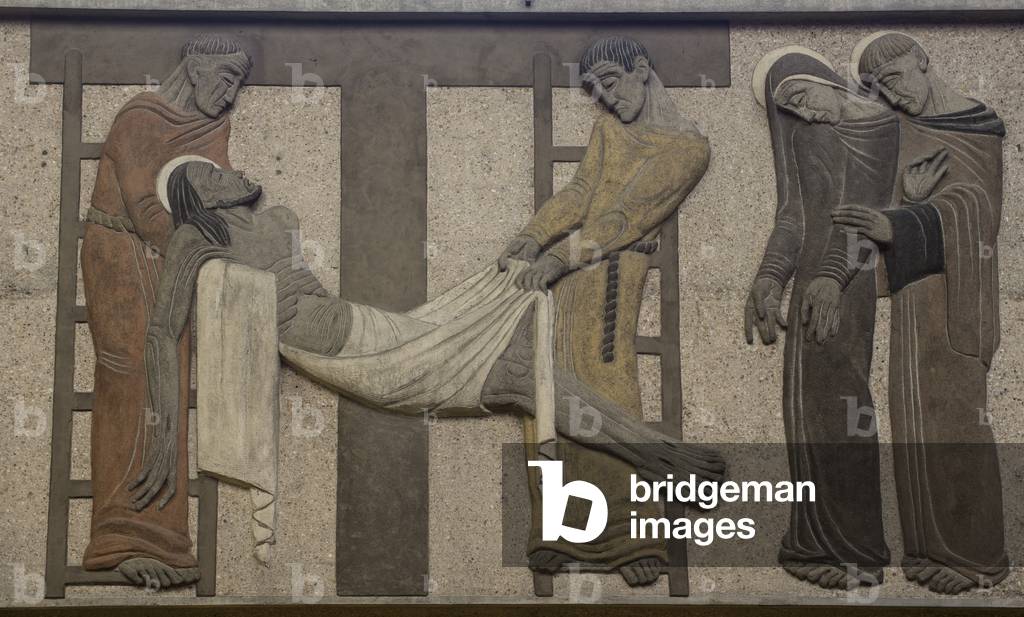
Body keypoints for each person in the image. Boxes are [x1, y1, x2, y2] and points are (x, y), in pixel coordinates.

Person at [131, 160, 726, 545]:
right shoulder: (196, 237)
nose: (225, 176)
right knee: (521, 371)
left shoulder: (276, 217)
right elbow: (161, 331)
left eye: (218, 170)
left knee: (523, 374)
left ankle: (664, 463)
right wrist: (163, 434)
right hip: (344, 352)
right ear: (194, 201)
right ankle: (666, 462)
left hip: (365, 329)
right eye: (205, 180)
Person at [496, 35, 710, 585]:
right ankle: (557, 529)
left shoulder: (686, 148)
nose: (605, 99)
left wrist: (563, 254)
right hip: (560, 276)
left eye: (611, 83)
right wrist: (531, 236)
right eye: (594, 90)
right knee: (544, 394)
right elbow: (580, 191)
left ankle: (630, 539)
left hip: (611, 272)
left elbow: (627, 217)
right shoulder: (607, 130)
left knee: (607, 398)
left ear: (642, 70)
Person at [836, 31, 1009, 595]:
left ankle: (979, 557)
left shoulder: (977, 127)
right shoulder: (902, 131)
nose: (891, 96)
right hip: (914, 298)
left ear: (923, 61)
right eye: (877, 89)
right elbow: (894, 203)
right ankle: (932, 548)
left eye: (894, 80)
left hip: (960, 297)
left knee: (957, 417)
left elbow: (978, 215)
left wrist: (902, 222)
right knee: (911, 414)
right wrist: (903, 211)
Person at [80, 33, 251, 589]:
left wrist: (240, 212)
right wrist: (197, 239)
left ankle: (164, 539)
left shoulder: (210, 128)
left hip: (172, 262)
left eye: (238, 86)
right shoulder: (138, 119)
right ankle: (115, 537)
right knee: (126, 379)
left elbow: (211, 192)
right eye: (225, 80)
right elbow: (146, 204)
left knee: (166, 385)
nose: (229, 97)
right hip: (119, 254)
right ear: (196, 69)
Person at [746, 46, 900, 590]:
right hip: (810, 277)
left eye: (802, 97)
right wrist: (769, 278)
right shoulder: (805, 134)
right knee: (806, 413)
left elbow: (870, 217)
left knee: (847, 405)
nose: (804, 113)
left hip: (848, 282)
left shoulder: (883, 127)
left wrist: (833, 277)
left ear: (823, 79)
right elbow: (792, 215)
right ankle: (812, 542)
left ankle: (860, 548)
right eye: (789, 107)